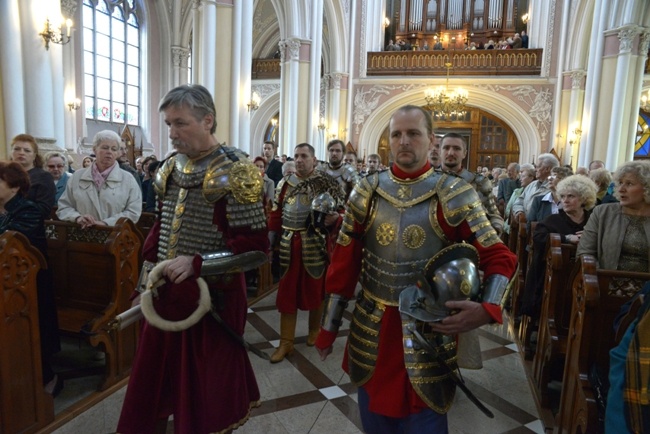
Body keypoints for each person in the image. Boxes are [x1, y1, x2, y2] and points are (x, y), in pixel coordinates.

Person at [314, 105, 517, 433]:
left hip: (429, 331)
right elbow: (344, 263)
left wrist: (488, 308)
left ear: (431, 140)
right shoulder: (366, 190)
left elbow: (500, 257)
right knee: (375, 423)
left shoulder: (455, 193)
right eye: (396, 134)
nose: (404, 141)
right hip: (374, 326)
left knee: (425, 422)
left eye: (413, 133)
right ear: (389, 141)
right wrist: (328, 328)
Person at [117, 84, 268, 434]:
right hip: (165, 295)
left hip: (213, 300)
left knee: (206, 393)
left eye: (180, 123)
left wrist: (198, 263)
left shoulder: (237, 171)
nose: (172, 133)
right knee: (154, 381)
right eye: (168, 124)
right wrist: (145, 284)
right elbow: (159, 231)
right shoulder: (170, 168)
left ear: (207, 120)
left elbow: (257, 250)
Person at [267, 143, 344, 363]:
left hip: (314, 242)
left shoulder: (325, 184)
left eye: (304, 156)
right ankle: (286, 342)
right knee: (287, 293)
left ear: (314, 159)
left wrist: (336, 219)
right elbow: (275, 213)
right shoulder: (285, 183)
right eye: (297, 156)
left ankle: (314, 331)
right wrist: (270, 241)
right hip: (289, 243)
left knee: (315, 290)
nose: (299, 160)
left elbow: (340, 210)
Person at [0, 161, 62, 397]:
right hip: (7, 285)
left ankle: (48, 377)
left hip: (30, 286)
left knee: (35, 334)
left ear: (14, 188)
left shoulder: (28, 210)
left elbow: (11, 245)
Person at [521, 175, 597, 327]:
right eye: (562, 196)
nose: (565, 200)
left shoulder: (593, 221)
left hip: (582, 273)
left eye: (571, 196)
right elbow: (539, 238)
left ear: (584, 199)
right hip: (553, 273)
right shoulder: (553, 220)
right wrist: (566, 238)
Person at [577, 160, 650, 294]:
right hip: (605, 287)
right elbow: (585, 251)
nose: (621, 189)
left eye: (629, 184)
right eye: (620, 183)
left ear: (647, 188)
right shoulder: (603, 213)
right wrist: (599, 281)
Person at [56, 130, 142, 228]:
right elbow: (64, 206)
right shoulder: (77, 176)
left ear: (118, 153)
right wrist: (77, 217)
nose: (109, 152)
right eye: (105, 148)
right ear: (94, 149)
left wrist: (106, 223)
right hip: (81, 235)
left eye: (114, 149)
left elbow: (133, 211)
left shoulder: (128, 179)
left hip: (114, 236)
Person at [441, 132, 504, 234]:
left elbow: (494, 215)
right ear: (440, 151)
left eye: (457, 148)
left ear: (464, 153)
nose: (450, 152)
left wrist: (494, 231)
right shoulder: (428, 180)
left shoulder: (479, 182)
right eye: (446, 148)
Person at [10, 134, 56, 219]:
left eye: (27, 150)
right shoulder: (4, 175)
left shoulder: (43, 177)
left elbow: (43, 209)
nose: (21, 153)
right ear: (11, 152)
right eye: (17, 149)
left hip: (27, 226)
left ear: (34, 155)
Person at [512, 153, 560, 218]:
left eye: (538, 167)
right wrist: (519, 212)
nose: (535, 169)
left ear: (547, 169)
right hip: (524, 224)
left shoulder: (554, 188)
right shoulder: (532, 185)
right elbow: (519, 201)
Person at [526, 166, 573, 231]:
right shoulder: (538, 201)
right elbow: (529, 226)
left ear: (564, 180)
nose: (550, 179)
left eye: (554, 176)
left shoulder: (570, 202)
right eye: (550, 176)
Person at [503, 164, 536, 235]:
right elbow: (508, 208)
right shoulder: (517, 191)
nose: (520, 178)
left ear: (532, 178)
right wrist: (518, 213)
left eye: (523, 176)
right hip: (514, 221)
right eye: (520, 174)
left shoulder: (535, 190)